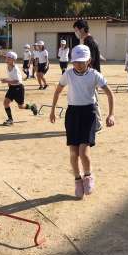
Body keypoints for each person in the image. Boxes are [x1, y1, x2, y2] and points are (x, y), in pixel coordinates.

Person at [49, 44, 115, 199]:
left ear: (89, 61)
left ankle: (88, 175)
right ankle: (77, 180)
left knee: (83, 152)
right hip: (72, 113)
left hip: (88, 113)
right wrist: (52, 110)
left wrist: (111, 114)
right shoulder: (68, 74)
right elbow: (58, 91)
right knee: (73, 152)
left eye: (81, 61)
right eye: (75, 61)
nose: (78, 64)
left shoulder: (94, 75)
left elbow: (110, 94)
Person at [73, 19, 104, 131]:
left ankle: (98, 124)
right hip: (90, 75)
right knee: (90, 100)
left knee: (93, 100)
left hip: (91, 76)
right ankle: (92, 123)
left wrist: (84, 74)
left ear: (82, 29)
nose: (76, 33)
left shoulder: (88, 42)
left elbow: (90, 61)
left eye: (76, 30)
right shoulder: (89, 41)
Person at [1, 51, 38, 126]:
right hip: (12, 87)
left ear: (13, 59)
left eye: (8, 57)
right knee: (5, 103)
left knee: (21, 106)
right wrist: (8, 81)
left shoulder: (15, 69)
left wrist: (7, 81)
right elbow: (11, 78)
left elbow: (18, 81)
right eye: (6, 57)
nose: (6, 59)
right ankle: (10, 120)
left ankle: (32, 107)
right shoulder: (8, 66)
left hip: (18, 88)